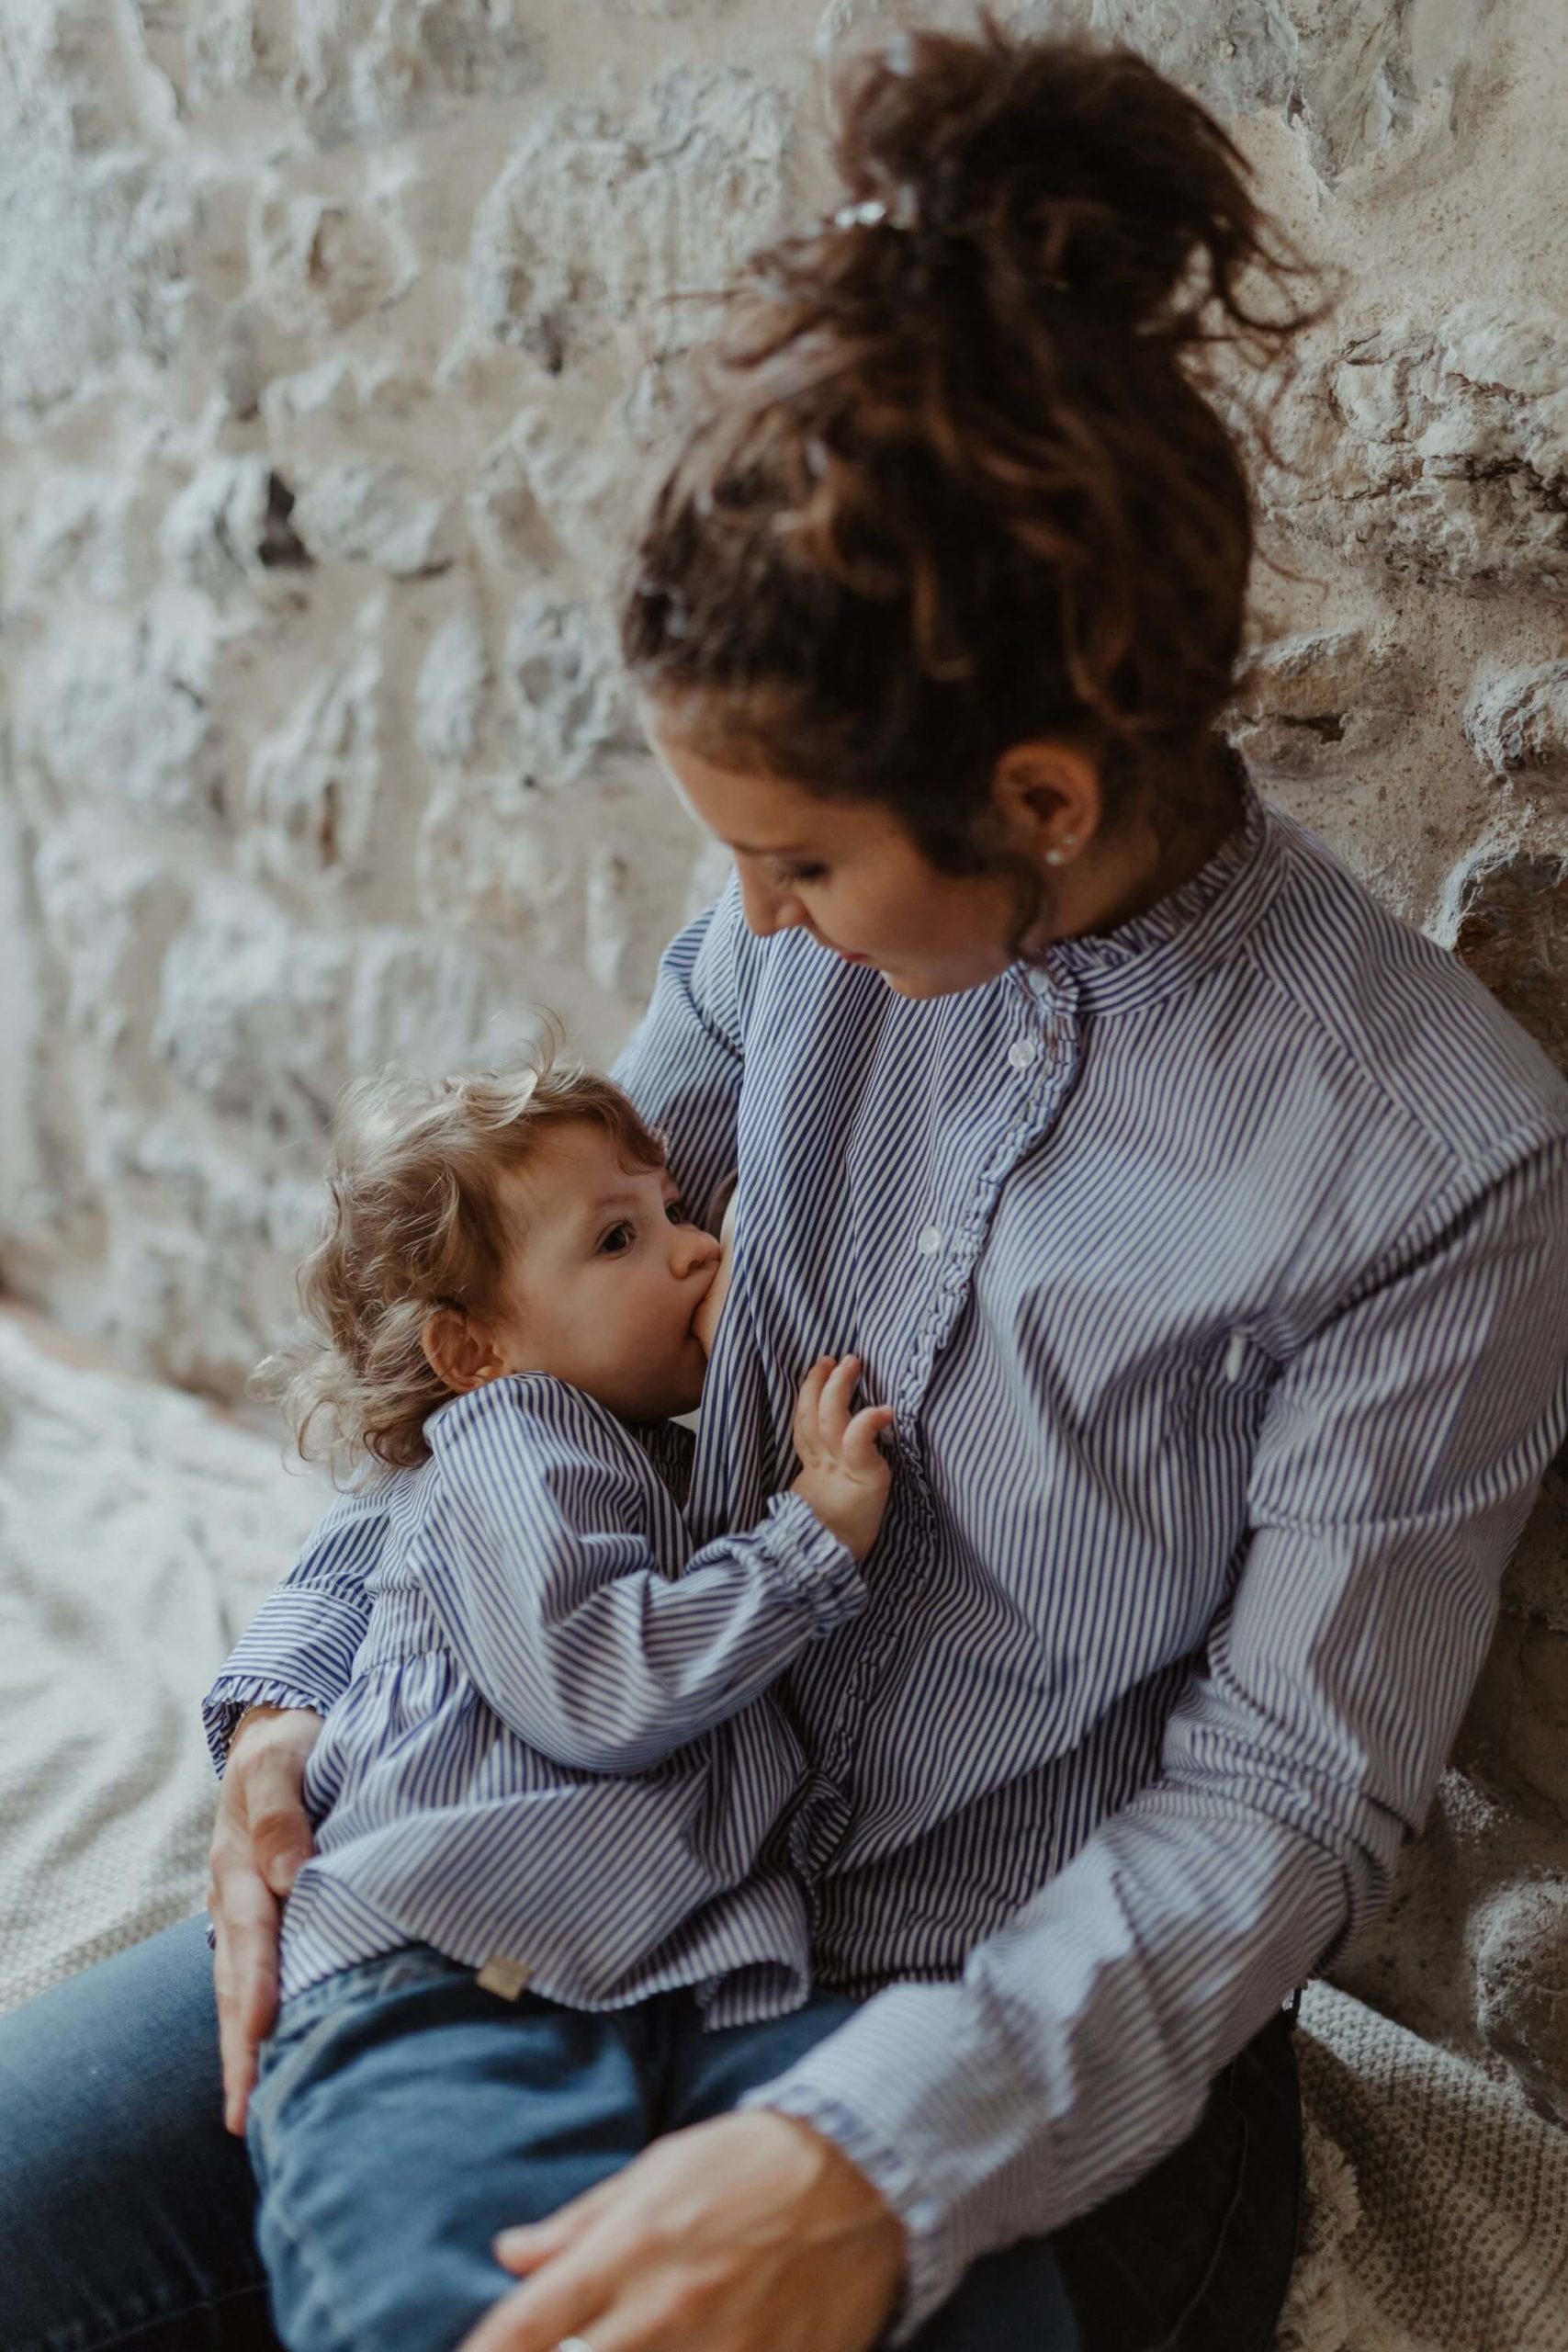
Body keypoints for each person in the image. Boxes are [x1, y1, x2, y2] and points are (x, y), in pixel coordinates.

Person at [4, 23, 1568, 2352]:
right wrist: (285, 1706)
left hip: (975, 2016)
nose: (742, 926)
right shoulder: (779, 965)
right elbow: (497, 1361)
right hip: (556, 1878)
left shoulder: (1432, 1158)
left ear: (1035, 794)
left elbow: (1283, 1798)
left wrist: (868, 2157)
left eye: (800, 859)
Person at [211, 1056, 893, 2352]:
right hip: (438, 1979)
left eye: (682, 1213)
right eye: (622, 1239)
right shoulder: (523, 1441)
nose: (698, 1255)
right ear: (475, 1350)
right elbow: (600, 1683)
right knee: (434, 2301)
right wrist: (809, 1544)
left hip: (616, 1982)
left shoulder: (626, 1457)